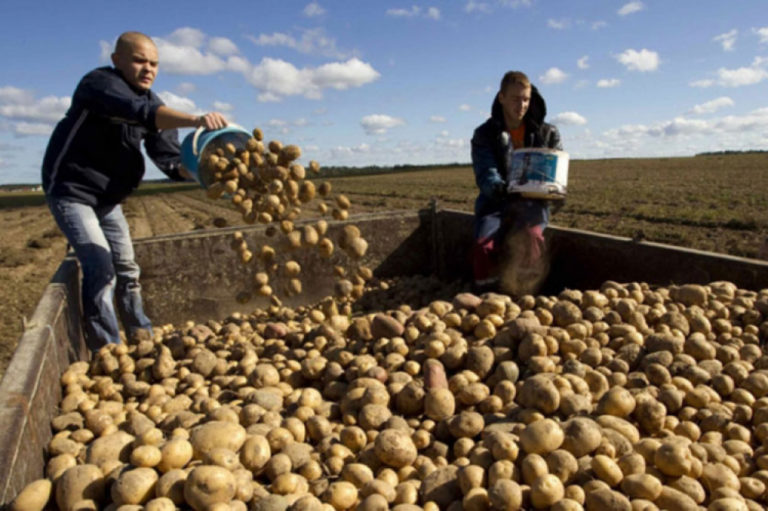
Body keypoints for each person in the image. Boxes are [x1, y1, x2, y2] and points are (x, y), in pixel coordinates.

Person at [42, 31, 228, 349]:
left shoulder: (153, 104)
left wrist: (200, 171)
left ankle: (141, 336)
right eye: (139, 60)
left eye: (154, 64)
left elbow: (170, 160)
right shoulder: (99, 85)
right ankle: (108, 349)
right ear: (117, 60)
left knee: (127, 268)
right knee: (100, 265)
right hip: (73, 192)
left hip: (109, 199)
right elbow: (139, 113)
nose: (148, 69)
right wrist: (197, 119)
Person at [470, 70, 562, 291]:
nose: (521, 105)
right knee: (483, 247)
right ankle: (488, 297)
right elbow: (486, 171)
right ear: (501, 97)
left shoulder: (547, 132)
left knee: (530, 238)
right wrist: (500, 188)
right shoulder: (485, 134)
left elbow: (556, 167)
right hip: (496, 202)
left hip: (533, 202)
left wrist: (556, 190)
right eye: (515, 99)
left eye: (526, 99)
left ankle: (527, 294)